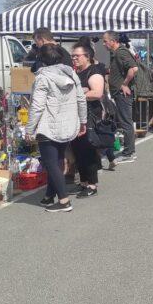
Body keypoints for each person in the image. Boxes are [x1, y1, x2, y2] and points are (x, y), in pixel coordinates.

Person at [28, 44, 87, 212]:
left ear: (41, 60)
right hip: (68, 124)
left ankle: (64, 200)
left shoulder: (42, 77)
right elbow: (81, 99)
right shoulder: (71, 73)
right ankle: (49, 196)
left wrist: (29, 129)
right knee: (58, 159)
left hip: (49, 125)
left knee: (51, 163)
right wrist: (83, 121)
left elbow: (37, 106)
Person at [68, 43, 107, 196]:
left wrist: (80, 95)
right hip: (78, 117)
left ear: (87, 56)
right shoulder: (78, 72)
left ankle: (92, 185)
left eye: (77, 56)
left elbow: (97, 93)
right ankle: (84, 182)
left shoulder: (94, 72)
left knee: (88, 150)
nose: (74, 58)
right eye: (72, 56)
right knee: (78, 150)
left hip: (90, 117)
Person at [102, 31, 138, 163]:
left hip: (122, 93)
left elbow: (133, 69)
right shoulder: (117, 53)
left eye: (105, 41)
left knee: (126, 122)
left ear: (113, 41)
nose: (104, 44)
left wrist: (124, 84)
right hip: (119, 93)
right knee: (125, 121)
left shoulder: (121, 52)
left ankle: (129, 152)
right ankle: (128, 151)